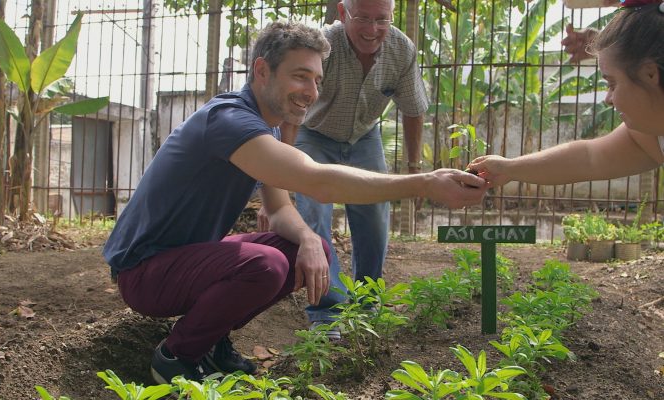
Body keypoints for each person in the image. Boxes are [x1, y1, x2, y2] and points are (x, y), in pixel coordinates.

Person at [102, 21, 487, 385]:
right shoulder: (229, 121)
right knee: (265, 265)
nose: (312, 91)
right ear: (262, 71)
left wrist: (306, 239)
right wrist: (424, 183)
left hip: (187, 259)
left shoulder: (263, 125)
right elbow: (316, 180)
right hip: (144, 270)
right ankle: (176, 357)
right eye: (300, 76)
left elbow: (282, 208)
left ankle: (211, 340)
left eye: (317, 79)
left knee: (309, 245)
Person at [258, 0, 430, 338]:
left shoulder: (401, 49)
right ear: (342, 13)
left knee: (374, 216)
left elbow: (413, 108)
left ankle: (367, 304)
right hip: (314, 134)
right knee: (314, 214)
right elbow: (294, 111)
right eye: (363, 18)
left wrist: (414, 165)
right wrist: (279, 183)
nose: (372, 29)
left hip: (365, 137)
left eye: (381, 20)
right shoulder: (322, 47)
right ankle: (326, 311)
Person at [469, 0, 664, 195]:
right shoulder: (652, 137)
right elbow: (589, 159)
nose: (608, 98)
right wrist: (508, 168)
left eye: (612, 84)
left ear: (649, 74)